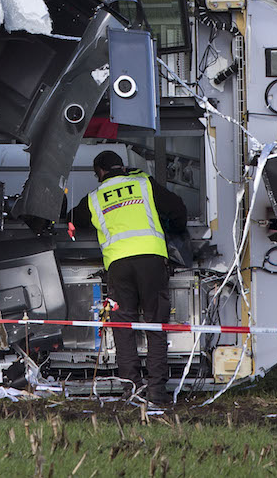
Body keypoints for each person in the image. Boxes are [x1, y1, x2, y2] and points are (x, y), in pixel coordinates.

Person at [70, 150, 187, 406]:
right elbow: (177, 207)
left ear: (100, 172)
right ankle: (156, 390)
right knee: (156, 325)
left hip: (119, 266)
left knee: (124, 327)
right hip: (152, 261)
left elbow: (72, 218)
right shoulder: (144, 183)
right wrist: (176, 231)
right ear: (122, 166)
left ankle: (131, 388)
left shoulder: (94, 198)